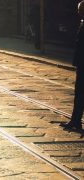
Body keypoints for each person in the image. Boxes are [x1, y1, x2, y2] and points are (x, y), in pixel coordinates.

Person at [60, 0, 84, 131]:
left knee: (80, 93)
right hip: (81, 64)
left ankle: (75, 121)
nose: (78, 12)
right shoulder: (82, 22)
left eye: (80, 10)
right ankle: (75, 121)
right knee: (79, 94)